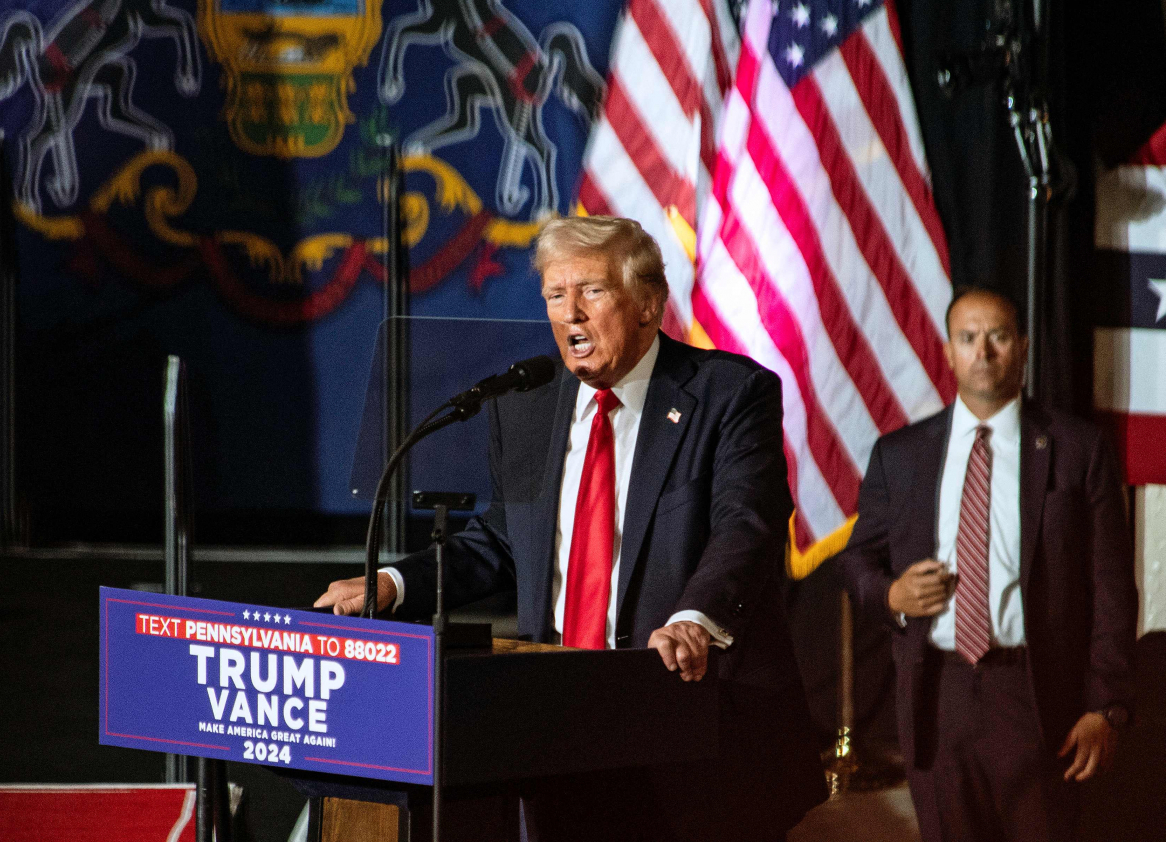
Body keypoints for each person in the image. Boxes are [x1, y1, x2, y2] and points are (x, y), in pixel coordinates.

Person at [317, 215, 826, 841]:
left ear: (646, 304)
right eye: (556, 296)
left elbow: (745, 528)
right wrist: (394, 583)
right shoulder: (527, 404)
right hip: (558, 722)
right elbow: (502, 540)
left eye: (591, 291)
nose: (570, 315)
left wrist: (696, 617)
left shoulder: (728, 393)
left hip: (687, 713)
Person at [838, 285, 1138, 842]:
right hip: (938, 698)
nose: (984, 351)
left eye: (998, 336)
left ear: (1022, 347)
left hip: (1037, 697)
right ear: (948, 352)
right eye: (968, 338)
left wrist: (1107, 708)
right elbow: (856, 561)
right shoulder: (900, 455)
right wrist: (890, 595)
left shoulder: (1077, 449)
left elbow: (1113, 591)